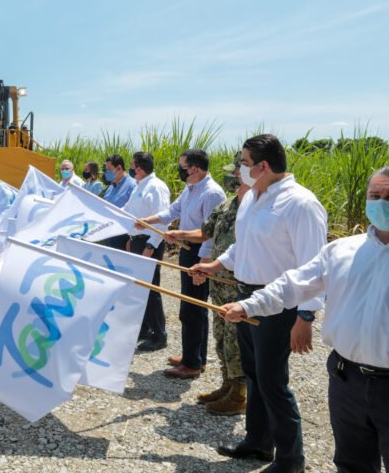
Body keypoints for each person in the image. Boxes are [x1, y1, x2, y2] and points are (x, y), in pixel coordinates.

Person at [222, 166, 389, 473]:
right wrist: (249, 306)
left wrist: (304, 318)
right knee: (352, 464)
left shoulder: (301, 203)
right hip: (347, 380)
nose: (381, 204)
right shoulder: (343, 251)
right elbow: (294, 283)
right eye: (375, 195)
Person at [191, 134, 327, 473]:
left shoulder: (300, 204)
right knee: (253, 374)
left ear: (263, 166)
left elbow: (315, 266)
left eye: (244, 162)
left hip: (279, 304)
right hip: (245, 296)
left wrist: (306, 316)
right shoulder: (252, 197)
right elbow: (243, 246)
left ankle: (290, 459)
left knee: (272, 381)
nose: (239, 169)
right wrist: (215, 265)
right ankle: (258, 442)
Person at [164, 154, 248, 415]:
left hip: (237, 282)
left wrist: (208, 263)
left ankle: (240, 394)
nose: (233, 176)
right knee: (221, 336)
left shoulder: (254, 207)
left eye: (236, 172)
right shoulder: (228, 205)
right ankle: (227, 385)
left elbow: (242, 246)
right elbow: (205, 232)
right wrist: (180, 233)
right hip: (219, 282)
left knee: (236, 340)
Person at [137, 149, 226, 379]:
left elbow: (210, 234)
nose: (180, 170)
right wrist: (149, 221)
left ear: (194, 168)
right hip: (189, 251)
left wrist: (204, 264)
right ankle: (195, 357)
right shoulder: (190, 189)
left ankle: (192, 363)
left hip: (200, 253)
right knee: (193, 307)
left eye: (182, 166)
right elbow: (172, 210)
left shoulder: (212, 193)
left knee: (192, 309)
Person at [122, 151, 171, 351]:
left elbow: (163, 221)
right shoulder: (139, 186)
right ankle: (143, 329)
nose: (131, 169)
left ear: (139, 168)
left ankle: (159, 335)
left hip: (148, 244)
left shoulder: (156, 187)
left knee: (151, 289)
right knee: (139, 288)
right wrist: (129, 237)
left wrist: (151, 247)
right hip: (137, 241)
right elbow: (128, 213)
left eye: (132, 166)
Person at [102, 154, 136, 250]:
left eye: (109, 169)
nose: (106, 172)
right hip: (109, 233)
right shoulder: (111, 187)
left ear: (119, 168)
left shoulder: (132, 186)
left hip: (124, 237)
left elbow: (136, 212)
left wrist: (131, 239)